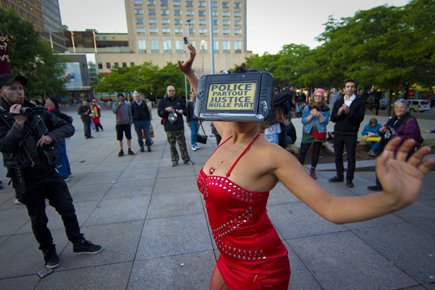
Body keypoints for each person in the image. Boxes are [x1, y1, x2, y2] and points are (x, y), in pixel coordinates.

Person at [176, 44, 434, 290]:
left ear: (263, 105)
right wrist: (190, 74)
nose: (239, 111)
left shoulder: (272, 156)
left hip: (258, 267)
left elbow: (331, 207)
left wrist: (393, 199)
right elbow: (205, 97)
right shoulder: (227, 134)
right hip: (227, 258)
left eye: (249, 102)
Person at [0, 74, 102, 269]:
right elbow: (5, 146)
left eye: (20, 88)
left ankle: (78, 242)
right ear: (1, 91)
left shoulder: (36, 111)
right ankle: (49, 252)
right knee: (38, 219)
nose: (18, 92)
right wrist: (18, 123)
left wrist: (50, 137)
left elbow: (67, 126)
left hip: (48, 170)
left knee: (67, 208)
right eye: (12, 88)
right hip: (25, 176)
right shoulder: (2, 117)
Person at [367, 99, 423, 191]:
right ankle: (380, 184)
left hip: (399, 149)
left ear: (407, 109)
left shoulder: (410, 120)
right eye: (397, 107)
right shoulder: (393, 119)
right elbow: (385, 130)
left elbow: (411, 138)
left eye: (401, 107)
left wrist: (393, 136)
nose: (398, 109)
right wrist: (380, 131)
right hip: (387, 147)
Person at [329, 79, 366, 188]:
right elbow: (333, 118)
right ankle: (339, 175)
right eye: (347, 86)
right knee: (337, 156)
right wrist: (340, 112)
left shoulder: (360, 101)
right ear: (344, 89)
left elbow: (359, 118)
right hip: (338, 132)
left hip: (351, 133)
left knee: (350, 157)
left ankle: (349, 179)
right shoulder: (339, 101)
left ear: (355, 88)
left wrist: (349, 112)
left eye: (352, 86)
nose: (349, 88)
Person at [298, 88, 330, 179]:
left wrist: (319, 115)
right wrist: (311, 115)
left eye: (320, 96)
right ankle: (298, 170)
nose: (318, 97)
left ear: (323, 98)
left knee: (316, 152)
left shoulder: (326, 109)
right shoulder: (307, 107)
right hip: (308, 132)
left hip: (319, 132)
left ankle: (312, 170)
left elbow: (325, 122)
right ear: (313, 97)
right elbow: (304, 121)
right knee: (303, 151)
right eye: (316, 96)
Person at [157, 85, 194, 166]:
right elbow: (160, 114)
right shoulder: (162, 102)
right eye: (169, 91)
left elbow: (186, 111)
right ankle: (174, 160)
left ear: (174, 91)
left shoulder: (180, 100)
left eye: (172, 90)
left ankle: (186, 159)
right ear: (167, 92)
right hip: (169, 127)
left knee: (182, 144)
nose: (171, 92)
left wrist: (182, 111)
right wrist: (166, 110)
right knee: (172, 145)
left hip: (179, 126)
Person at [45, 96, 72, 181]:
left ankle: (63, 174)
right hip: (60, 137)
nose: (45, 102)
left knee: (59, 155)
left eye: (47, 101)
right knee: (63, 154)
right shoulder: (56, 112)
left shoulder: (51, 112)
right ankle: (67, 172)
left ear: (52, 102)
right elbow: (68, 120)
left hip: (55, 137)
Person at [112, 93, 135, 157]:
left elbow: (130, 113)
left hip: (126, 123)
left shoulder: (127, 104)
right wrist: (118, 106)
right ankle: (121, 150)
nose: (120, 98)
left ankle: (129, 149)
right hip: (119, 123)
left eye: (121, 97)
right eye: (119, 97)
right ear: (117, 98)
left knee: (128, 137)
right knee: (119, 138)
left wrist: (130, 122)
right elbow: (114, 111)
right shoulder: (115, 104)